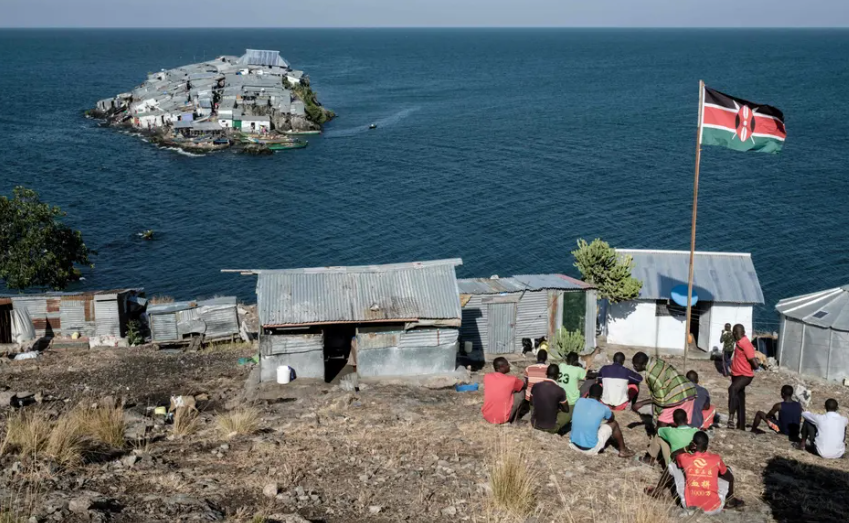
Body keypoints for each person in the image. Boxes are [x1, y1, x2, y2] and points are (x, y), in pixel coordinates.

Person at [649, 431, 743, 514]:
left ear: (693, 444)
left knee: (672, 466)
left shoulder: (685, 458)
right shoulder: (716, 458)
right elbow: (730, 478)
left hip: (689, 506)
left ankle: (657, 491)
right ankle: (730, 500)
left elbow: (673, 455)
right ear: (706, 446)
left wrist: (687, 448)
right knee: (727, 470)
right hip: (714, 508)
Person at [631, 352, 698, 427]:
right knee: (681, 423)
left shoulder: (652, 376)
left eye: (636, 366)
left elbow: (661, 400)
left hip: (678, 396)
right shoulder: (656, 361)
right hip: (689, 390)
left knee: (661, 423)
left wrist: (642, 403)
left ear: (643, 365)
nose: (634, 367)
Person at [569, 383, 634, 458]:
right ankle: (623, 451)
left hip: (573, 444)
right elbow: (611, 419)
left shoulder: (579, 401)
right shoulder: (604, 408)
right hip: (589, 449)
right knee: (614, 424)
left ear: (589, 393)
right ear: (601, 396)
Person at [728, 324, 758, 430]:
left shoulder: (745, 343)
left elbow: (755, 363)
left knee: (732, 389)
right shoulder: (739, 342)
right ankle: (741, 426)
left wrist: (751, 366)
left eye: (733, 333)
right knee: (740, 399)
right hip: (736, 374)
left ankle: (731, 418)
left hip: (745, 376)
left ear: (735, 333)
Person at [482, 357, 526, 425]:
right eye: (507, 364)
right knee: (521, 392)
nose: (509, 366)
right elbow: (524, 386)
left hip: (487, 416)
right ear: (502, 367)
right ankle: (515, 420)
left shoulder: (487, 377)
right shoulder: (512, 380)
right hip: (503, 418)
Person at [530, 364, 570, 435]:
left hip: (535, 424)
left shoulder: (535, 386)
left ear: (546, 373)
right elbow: (566, 409)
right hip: (551, 427)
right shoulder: (560, 390)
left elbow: (531, 402)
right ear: (558, 375)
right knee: (570, 412)